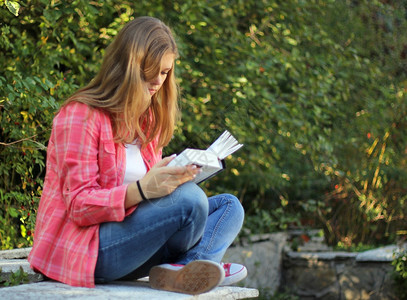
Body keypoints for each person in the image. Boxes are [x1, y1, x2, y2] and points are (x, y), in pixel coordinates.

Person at [28, 16, 246, 295]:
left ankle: (186, 269)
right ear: (127, 66)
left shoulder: (148, 121)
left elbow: (154, 202)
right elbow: (80, 206)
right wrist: (143, 189)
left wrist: (173, 177)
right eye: (151, 70)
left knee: (229, 206)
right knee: (191, 201)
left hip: (136, 246)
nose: (158, 80)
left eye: (165, 72)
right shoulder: (80, 116)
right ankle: (202, 264)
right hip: (90, 250)